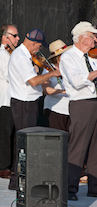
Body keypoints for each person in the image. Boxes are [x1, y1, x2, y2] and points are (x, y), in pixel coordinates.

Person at [8, 28, 61, 190]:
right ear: (34, 43)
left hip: (27, 103)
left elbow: (32, 77)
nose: (39, 50)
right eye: (39, 46)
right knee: (25, 144)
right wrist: (53, 74)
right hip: (24, 104)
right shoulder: (21, 57)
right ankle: (17, 181)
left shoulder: (23, 55)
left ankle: (18, 180)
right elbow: (33, 81)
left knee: (26, 143)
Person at [59, 21, 97, 200]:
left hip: (95, 102)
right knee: (78, 146)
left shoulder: (91, 57)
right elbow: (77, 80)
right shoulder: (68, 57)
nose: (95, 40)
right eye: (92, 36)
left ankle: (94, 187)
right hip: (81, 103)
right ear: (81, 37)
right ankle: (69, 188)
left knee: (96, 148)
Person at [0, 24, 20, 179]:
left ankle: (10, 167)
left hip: (11, 100)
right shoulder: (3, 54)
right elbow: (8, 75)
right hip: (5, 101)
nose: (18, 39)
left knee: (12, 134)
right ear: (6, 36)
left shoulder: (11, 54)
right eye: (15, 36)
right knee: (5, 134)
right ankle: (2, 168)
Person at [42, 39, 72, 132]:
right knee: (58, 140)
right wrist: (61, 91)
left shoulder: (71, 67)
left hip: (71, 110)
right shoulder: (49, 70)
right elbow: (44, 89)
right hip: (55, 109)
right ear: (57, 57)